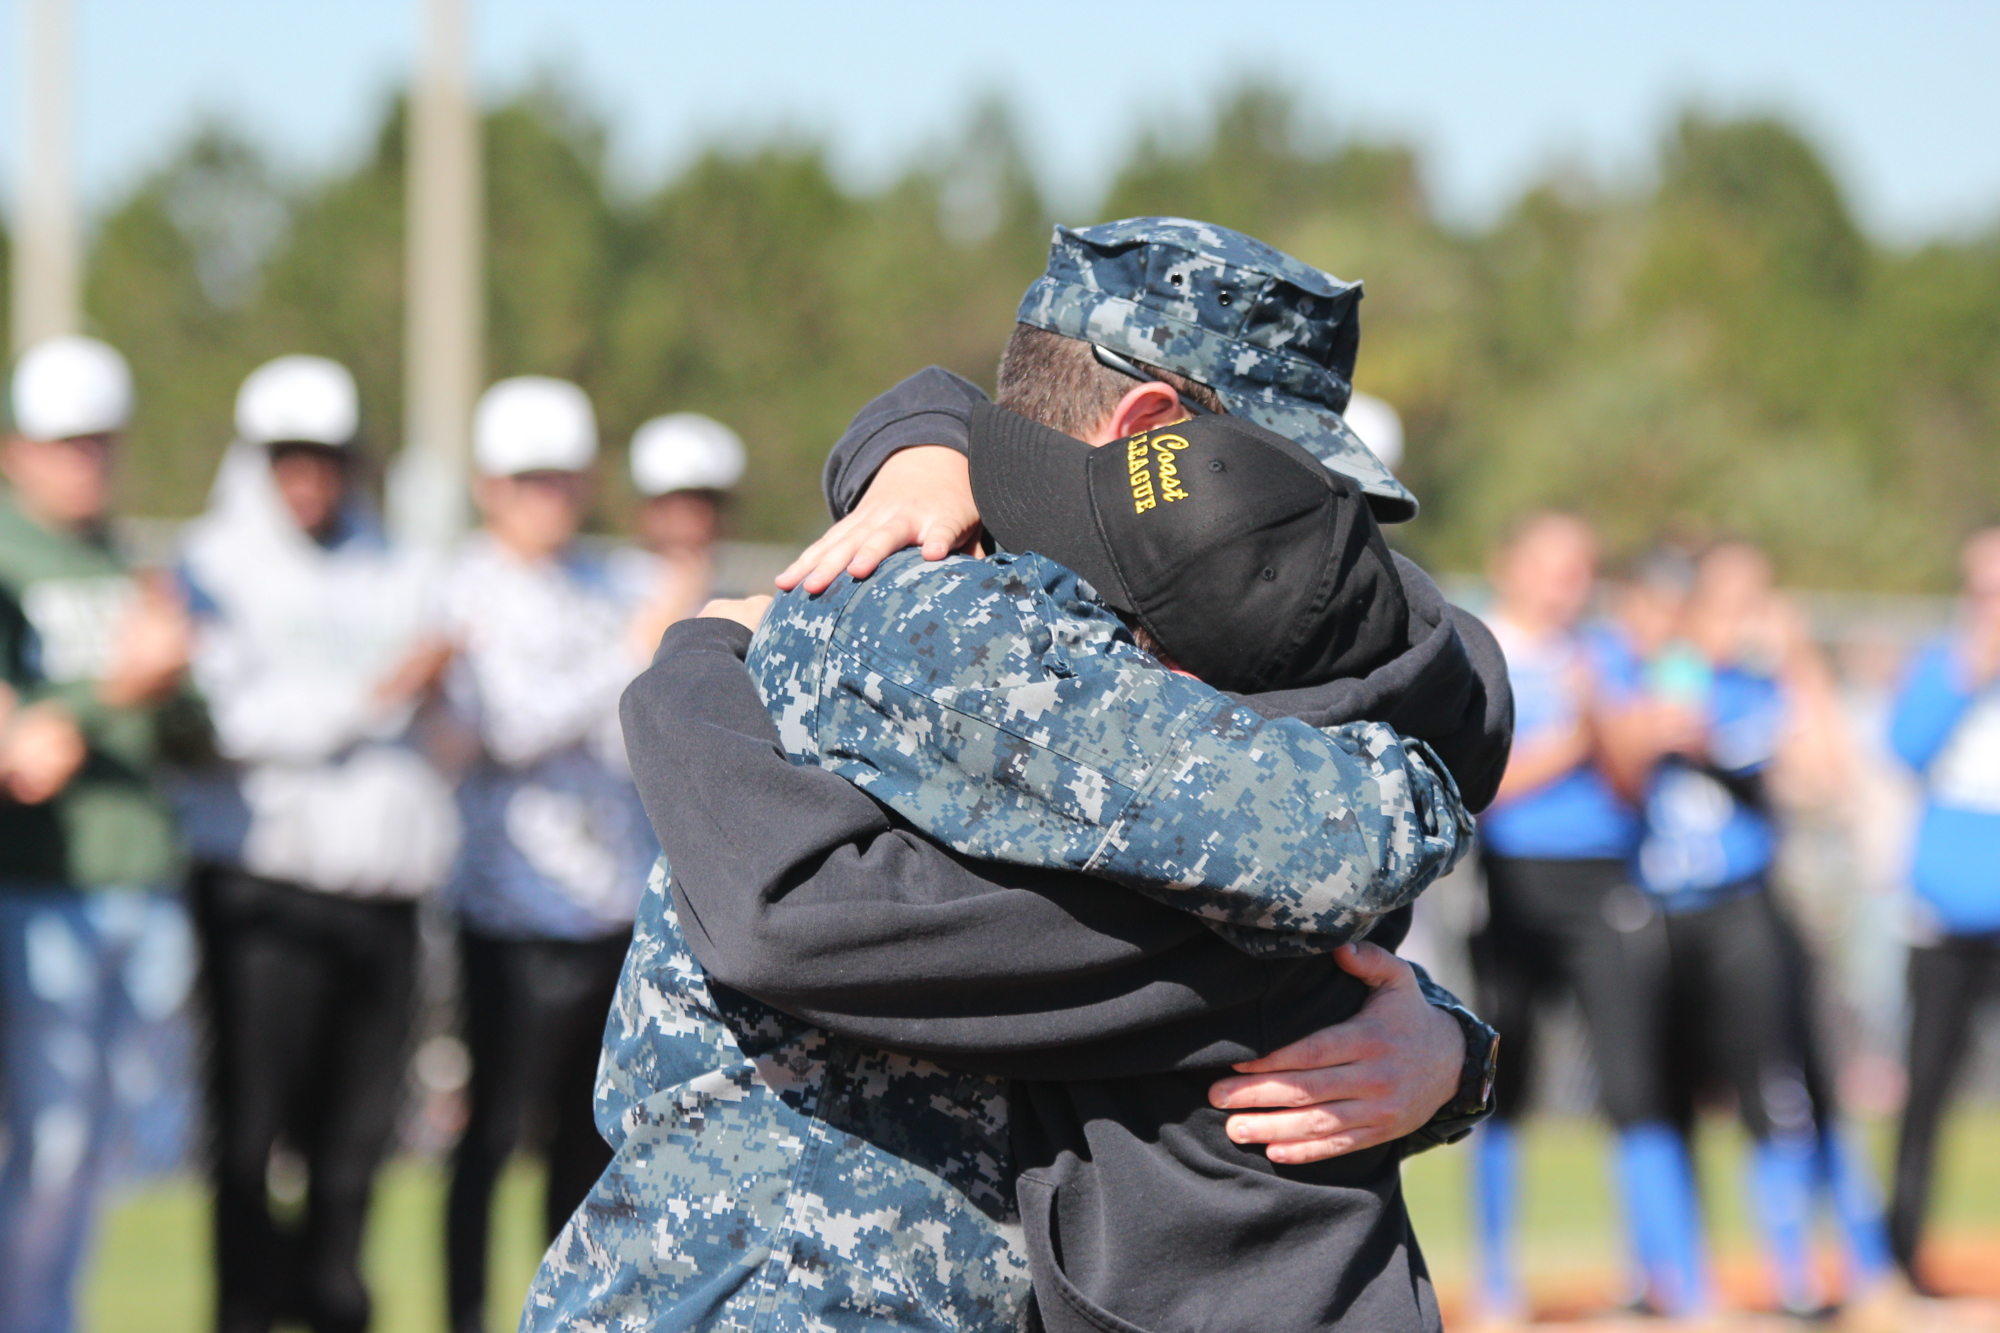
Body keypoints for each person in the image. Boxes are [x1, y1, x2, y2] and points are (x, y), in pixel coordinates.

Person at [525, 218, 1503, 1333]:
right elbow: (801, 916)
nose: (1309, 543)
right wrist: (688, 677)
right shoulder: (948, 623)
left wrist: (1438, 1044)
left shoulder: (1136, 665)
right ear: (1153, 433)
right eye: (1286, 478)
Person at [175, 355, 459, 1333]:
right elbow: (230, 723)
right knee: (250, 1143)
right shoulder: (211, 566)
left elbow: (440, 712)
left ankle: (337, 1310)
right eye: (289, 456)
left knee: (353, 1155)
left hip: (380, 900)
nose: (309, 477)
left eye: (326, 456)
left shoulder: (394, 559)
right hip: (264, 891)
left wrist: (409, 701)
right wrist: (378, 692)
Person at [1608, 540, 1896, 1320]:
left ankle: (1799, 1275)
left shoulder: (1749, 684)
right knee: (1653, 1098)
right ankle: (1668, 1280)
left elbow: (1822, 769)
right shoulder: (1638, 672)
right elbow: (1621, 752)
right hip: (1657, 914)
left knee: (1777, 1096)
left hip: (1743, 909)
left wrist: (1792, 658)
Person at [440, 375, 657, 1333]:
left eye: (563, 478)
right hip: (507, 910)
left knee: (585, 1150)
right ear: (490, 485)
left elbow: (628, 741)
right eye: (530, 479)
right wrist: (624, 658)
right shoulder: (467, 586)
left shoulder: (602, 583)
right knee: (488, 1139)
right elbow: (512, 724)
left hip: (607, 908)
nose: (549, 498)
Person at [0, 335, 199, 1333]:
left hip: (139, 875)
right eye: (62, 441)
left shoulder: (124, 556)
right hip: (39, 881)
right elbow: (24, 750)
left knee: (107, 1148)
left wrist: (176, 676)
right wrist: (116, 685)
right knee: (53, 1139)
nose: (84, 460)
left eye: (97, 441)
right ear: (14, 446)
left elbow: (187, 727)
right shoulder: (6, 551)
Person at [1464, 513, 1697, 1320]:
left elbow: (1635, 782)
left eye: (1581, 567)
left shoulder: (1604, 658)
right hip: (1517, 890)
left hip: (1607, 886)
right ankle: (1497, 1278)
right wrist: (1574, 743)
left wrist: (1610, 723)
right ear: (1512, 565)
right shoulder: (1480, 657)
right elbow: (1482, 795)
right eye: (1555, 566)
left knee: (1637, 1082)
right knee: (1505, 1082)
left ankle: (1673, 1280)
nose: (1571, 583)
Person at [1888, 526, 2000, 1292]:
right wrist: (1969, 672)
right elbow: (1904, 745)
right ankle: (1900, 1252)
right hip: (1946, 919)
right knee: (1925, 1087)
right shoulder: (1945, 666)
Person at [614, 411, 745, 657]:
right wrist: (674, 607)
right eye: (675, 508)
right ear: (646, 510)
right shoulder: (604, 588)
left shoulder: (731, 597)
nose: (691, 526)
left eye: (705, 506)